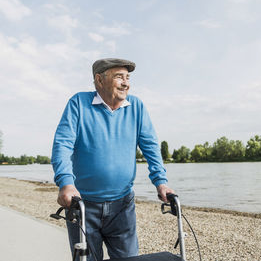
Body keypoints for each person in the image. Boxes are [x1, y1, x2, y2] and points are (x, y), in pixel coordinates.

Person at [51, 58, 174, 261]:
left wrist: (161, 182)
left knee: (129, 259)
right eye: (119, 77)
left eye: (127, 77)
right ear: (99, 80)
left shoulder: (137, 107)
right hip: (83, 205)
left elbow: (150, 146)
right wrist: (66, 183)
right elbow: (62, 145)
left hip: (122, 207)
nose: (126, 83)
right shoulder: (79, 103)